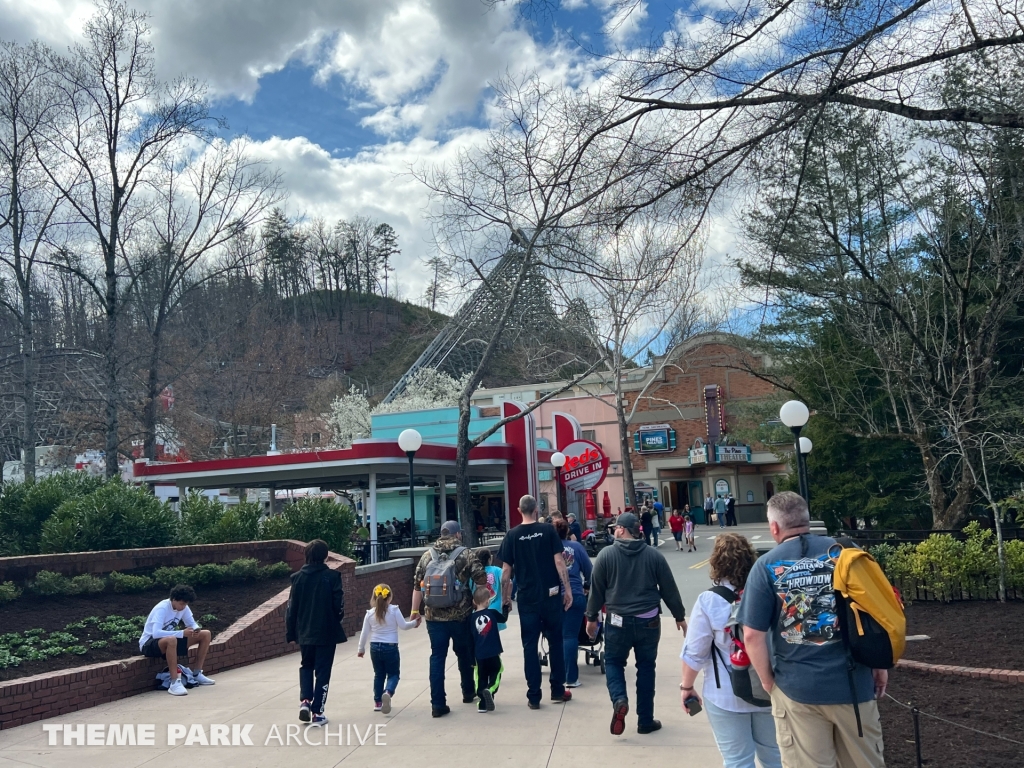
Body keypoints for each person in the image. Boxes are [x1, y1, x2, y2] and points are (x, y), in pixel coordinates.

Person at [739, 492, 887, 768]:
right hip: (854, 685)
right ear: (807, 520)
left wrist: (769, 682)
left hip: (798, 688)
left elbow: (752, 635)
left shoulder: (766, 566)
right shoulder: (846, 553)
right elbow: (875, 613)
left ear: (774, 527)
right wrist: (879, 664)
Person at [680, 534, 782, 768]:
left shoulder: (709, 600)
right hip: (769, 688)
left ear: (716, 563)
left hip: (725, 694)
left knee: (737, 761)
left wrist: (687, 687)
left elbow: (696, 652)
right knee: (774, 757)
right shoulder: (769, 593)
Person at [586, 512, 687, 736]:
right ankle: (645, 720)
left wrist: (591, 618)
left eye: (615, 528)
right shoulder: (653, 556)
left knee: (613, 663)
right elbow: (669, 589)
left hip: (617, 621)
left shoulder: (606, 556)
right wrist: (679, 616)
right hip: (648, 621)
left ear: (622, 530)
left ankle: (619, 699)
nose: (613, 531)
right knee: (646, 668)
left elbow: (597, 592)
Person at [499, 494, 574, 710]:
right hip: (550, 596)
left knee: (529, 646)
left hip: (527, 598)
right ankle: (558, 690)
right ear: (536, 510)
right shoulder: (549, 530)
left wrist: (505, 597)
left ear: (518, 509)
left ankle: (533, 696)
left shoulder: (512, 535)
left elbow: (506, 570)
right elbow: (559, 561)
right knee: (556, 642)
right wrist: (567, 589)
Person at [411, 519, 488, 718]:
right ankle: (468, 691)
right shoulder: (465, 553)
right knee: (464, 654)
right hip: (460, 615)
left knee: (437, 657)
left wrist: (414, 611)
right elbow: (482, 579)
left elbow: (418, 585)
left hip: (433, 616)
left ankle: (438, 703)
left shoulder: (427, 555)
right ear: (457, 534)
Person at [285, 539, 345, 726]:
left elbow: (291, 609)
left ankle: (305, 701)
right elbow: (339, 606)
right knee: (323, 671)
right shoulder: (332, 577)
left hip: (305, 631)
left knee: (306, 665)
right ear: (325, 556)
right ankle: (318, 711)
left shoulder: (297, 578)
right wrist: (337, 619)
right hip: (326, 631)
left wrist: (291, 632)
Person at [140, 584, 215, 696]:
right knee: (172, 639)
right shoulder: (162, 608)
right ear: (174, 599)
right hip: (149, 644)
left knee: (206, 634)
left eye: (186, 604)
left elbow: (191, 623)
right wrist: (181, 633)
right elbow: (156, 633)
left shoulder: (184, 608)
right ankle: (175, 683)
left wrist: (195, 629)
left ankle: (197, 674)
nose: (184, 606)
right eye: (182, 603)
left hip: (169, 641)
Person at [357, 583, 420, 714]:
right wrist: (415, 623)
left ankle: (377, 702)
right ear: (390, 597)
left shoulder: (369, 614)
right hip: (390, 647)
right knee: (393, 674)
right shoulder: (394, 610)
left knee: (378, 675)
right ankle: (388, 692)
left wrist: (361, 649)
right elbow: (404, 626)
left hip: (374, 647)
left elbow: (364, 633)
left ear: (374, 597)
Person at [554, 517, 593, 688]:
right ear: (567, 531)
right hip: (575, 593)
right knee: (570, 636)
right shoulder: (576, 547)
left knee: (556, 637)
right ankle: (571, 678)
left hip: (553, 596)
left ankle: (557, 676)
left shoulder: (547, 549)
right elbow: (590, 571)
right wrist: (587, 586)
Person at [470, 586, 511, 713]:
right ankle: (491, 688)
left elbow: (469, 639)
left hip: (479, 654)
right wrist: (505, 608)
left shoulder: (470, 619)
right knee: (497, 670)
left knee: (480, 677)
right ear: (488, 601)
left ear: (474, 602)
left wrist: (470, 658)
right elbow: (503, 619)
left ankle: (482, 704)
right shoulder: (492, 613)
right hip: (493, 652)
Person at [479, 549, 507, 630]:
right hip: (496, 607)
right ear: (489, 559)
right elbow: (508, 581)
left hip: (479, 607)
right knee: (494, 632)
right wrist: (506, 597)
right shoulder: (497, 570)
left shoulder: (476, 572)